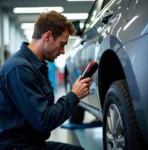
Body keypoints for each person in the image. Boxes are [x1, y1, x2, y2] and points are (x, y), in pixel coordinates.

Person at [0, 11, 91, 150]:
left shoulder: (35, 67)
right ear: (48, 36)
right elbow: (44, 121)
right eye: (62, 44)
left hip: (32, 143)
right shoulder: (19, 69)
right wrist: (73, 96)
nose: (63, 51)